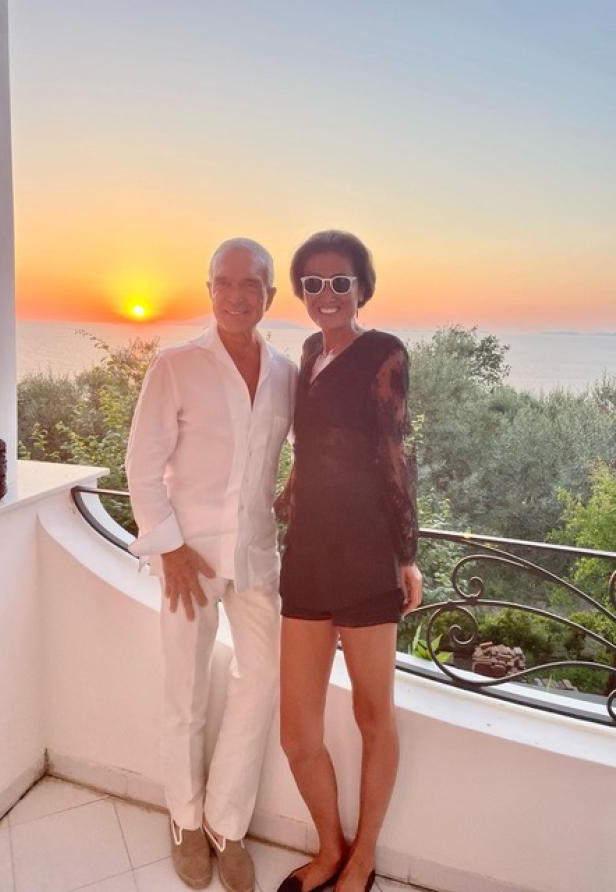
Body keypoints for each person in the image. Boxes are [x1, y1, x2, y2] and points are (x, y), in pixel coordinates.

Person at [125, 238, 297, 892]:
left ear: (269, 295)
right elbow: (142, 466)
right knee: (186, 692)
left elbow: (309, 447)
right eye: (224, 282)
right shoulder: (176, 366)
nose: (236, 296)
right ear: (209, 289)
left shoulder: (285, 373)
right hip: (188, 558)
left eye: (251, 284)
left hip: (255, 557)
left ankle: (228, 823)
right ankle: (185, 819)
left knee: (262, 680)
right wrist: (168, 549)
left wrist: (298, 487)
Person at [275, 231, 422, 892]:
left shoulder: (384, 352)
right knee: (296, 731)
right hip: (306, 553)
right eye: (313, 283)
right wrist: (281, 501)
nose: (326, 294)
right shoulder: (309, 353)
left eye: (340, 282)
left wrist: (406, 554)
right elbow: (311, 451)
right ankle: (330, 847)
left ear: (362, 288)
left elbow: (394, 452)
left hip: (366, 553)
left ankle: (363, 857)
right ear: (301, 291)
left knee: (372, 717)